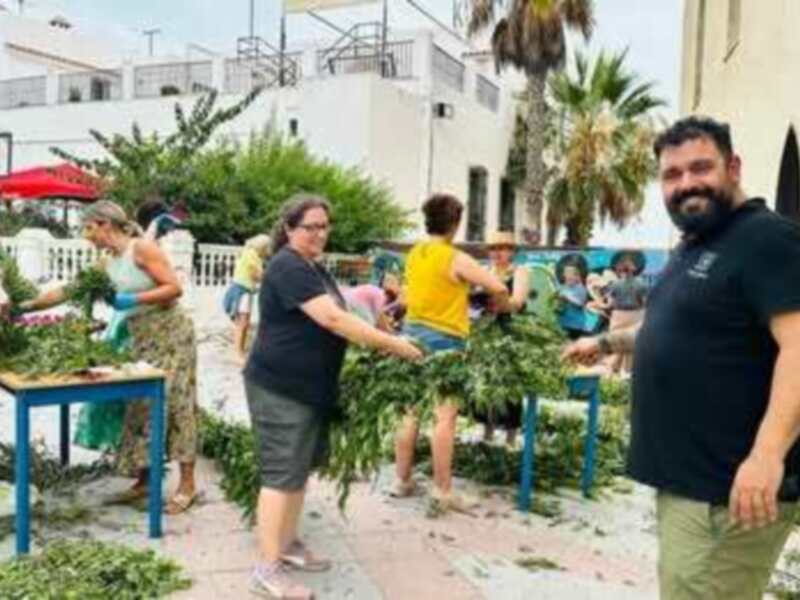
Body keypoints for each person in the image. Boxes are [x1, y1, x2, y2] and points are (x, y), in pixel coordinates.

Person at [563, 116, 800, 600]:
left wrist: (767, 455)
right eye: (672, 175)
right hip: (691, 484)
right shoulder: (697, 244)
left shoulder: (767, 240)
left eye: (700, 168)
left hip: (730, 490)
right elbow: (675, 328)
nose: (686, 184)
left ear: (733, 167)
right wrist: (604, 344)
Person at [244, 193, 422, 599]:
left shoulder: (313, 267)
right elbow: (331, 318)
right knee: (279, 475)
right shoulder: (288, 265)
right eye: (311, 227)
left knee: (299, 469)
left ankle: (287, 545)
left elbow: (349, 309)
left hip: (309, 387)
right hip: (279, 386)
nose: (320, 233)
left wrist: (386, 330)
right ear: (289, 229)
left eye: (325, 226)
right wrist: (390, 346)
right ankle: (266, 569)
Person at [19, 200, 200, 516]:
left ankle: (187, 485)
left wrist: (132, 298)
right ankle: (145, 480)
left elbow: (174, 288)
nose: (86, 235)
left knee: (178, 403)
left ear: (105, 224)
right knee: (140, 403)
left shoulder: (141, 249)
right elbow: (68, 290)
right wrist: (24, 306)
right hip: (140, 334)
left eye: (88, 227)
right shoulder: (106, 261)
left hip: (172, 333)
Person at [393, 193, 509, 511]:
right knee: (444, 416)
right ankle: (443, 491)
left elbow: (413, 292)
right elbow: (498, 288)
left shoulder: (415, 254)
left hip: (411, 337)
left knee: (410, 411)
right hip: (445, 342)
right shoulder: (455, 257)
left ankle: (401, 481)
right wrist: (498, 307)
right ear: (455, 224)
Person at [223, 234, 271, 363]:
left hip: (245, 291)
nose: (268, 251)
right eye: (267, 248)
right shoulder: (251, 254)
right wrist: (269, 277)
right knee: (242, 323)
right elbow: (255, 274)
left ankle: (240, 352)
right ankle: (237, 354)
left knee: (244, 323)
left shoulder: (250, 254)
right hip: (242, 291)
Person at [603, 250, 648, 373]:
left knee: (615, 343)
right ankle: (626, 371)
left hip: (618, 315)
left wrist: (597, 305)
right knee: (631, 345)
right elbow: (644, 303)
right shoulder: (642, 284)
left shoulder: (614, 284)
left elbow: (609, 304)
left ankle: (611, 370)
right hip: (636, 315)